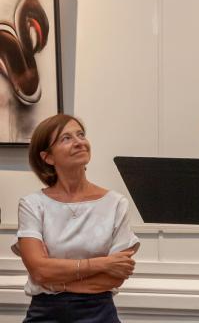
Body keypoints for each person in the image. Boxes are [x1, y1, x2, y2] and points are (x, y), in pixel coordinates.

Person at [11, 113, 140, 323]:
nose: (79, 142)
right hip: (45, 315)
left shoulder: (115, 203)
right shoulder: (32, 204)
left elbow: (115, 276)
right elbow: (39, 270)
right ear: (48, 157)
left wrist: (57, 282)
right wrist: (102, 263)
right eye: (66, 138)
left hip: (100, 314)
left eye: (81, 135)